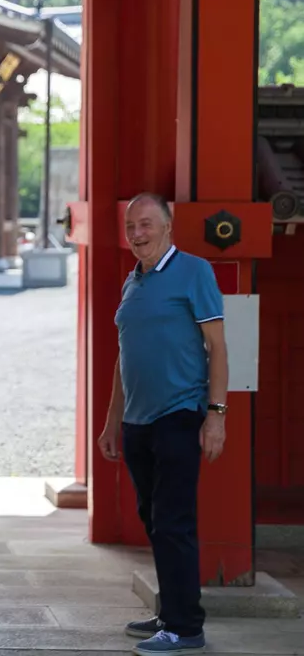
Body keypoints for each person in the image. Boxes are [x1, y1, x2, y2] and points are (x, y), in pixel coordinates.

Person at [97, 193, 229, 656]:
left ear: (168, 226)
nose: (137, 234)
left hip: (179, 415)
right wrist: (113, 421)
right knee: (154, 521)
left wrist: (216, 415)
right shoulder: (132, 282)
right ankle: (170, 611)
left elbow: (217, 347)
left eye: (146, 224)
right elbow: (123, 358)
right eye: (131, 226)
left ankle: (186, 627)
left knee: (174, 523)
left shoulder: (195, 271)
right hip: (137, 423)